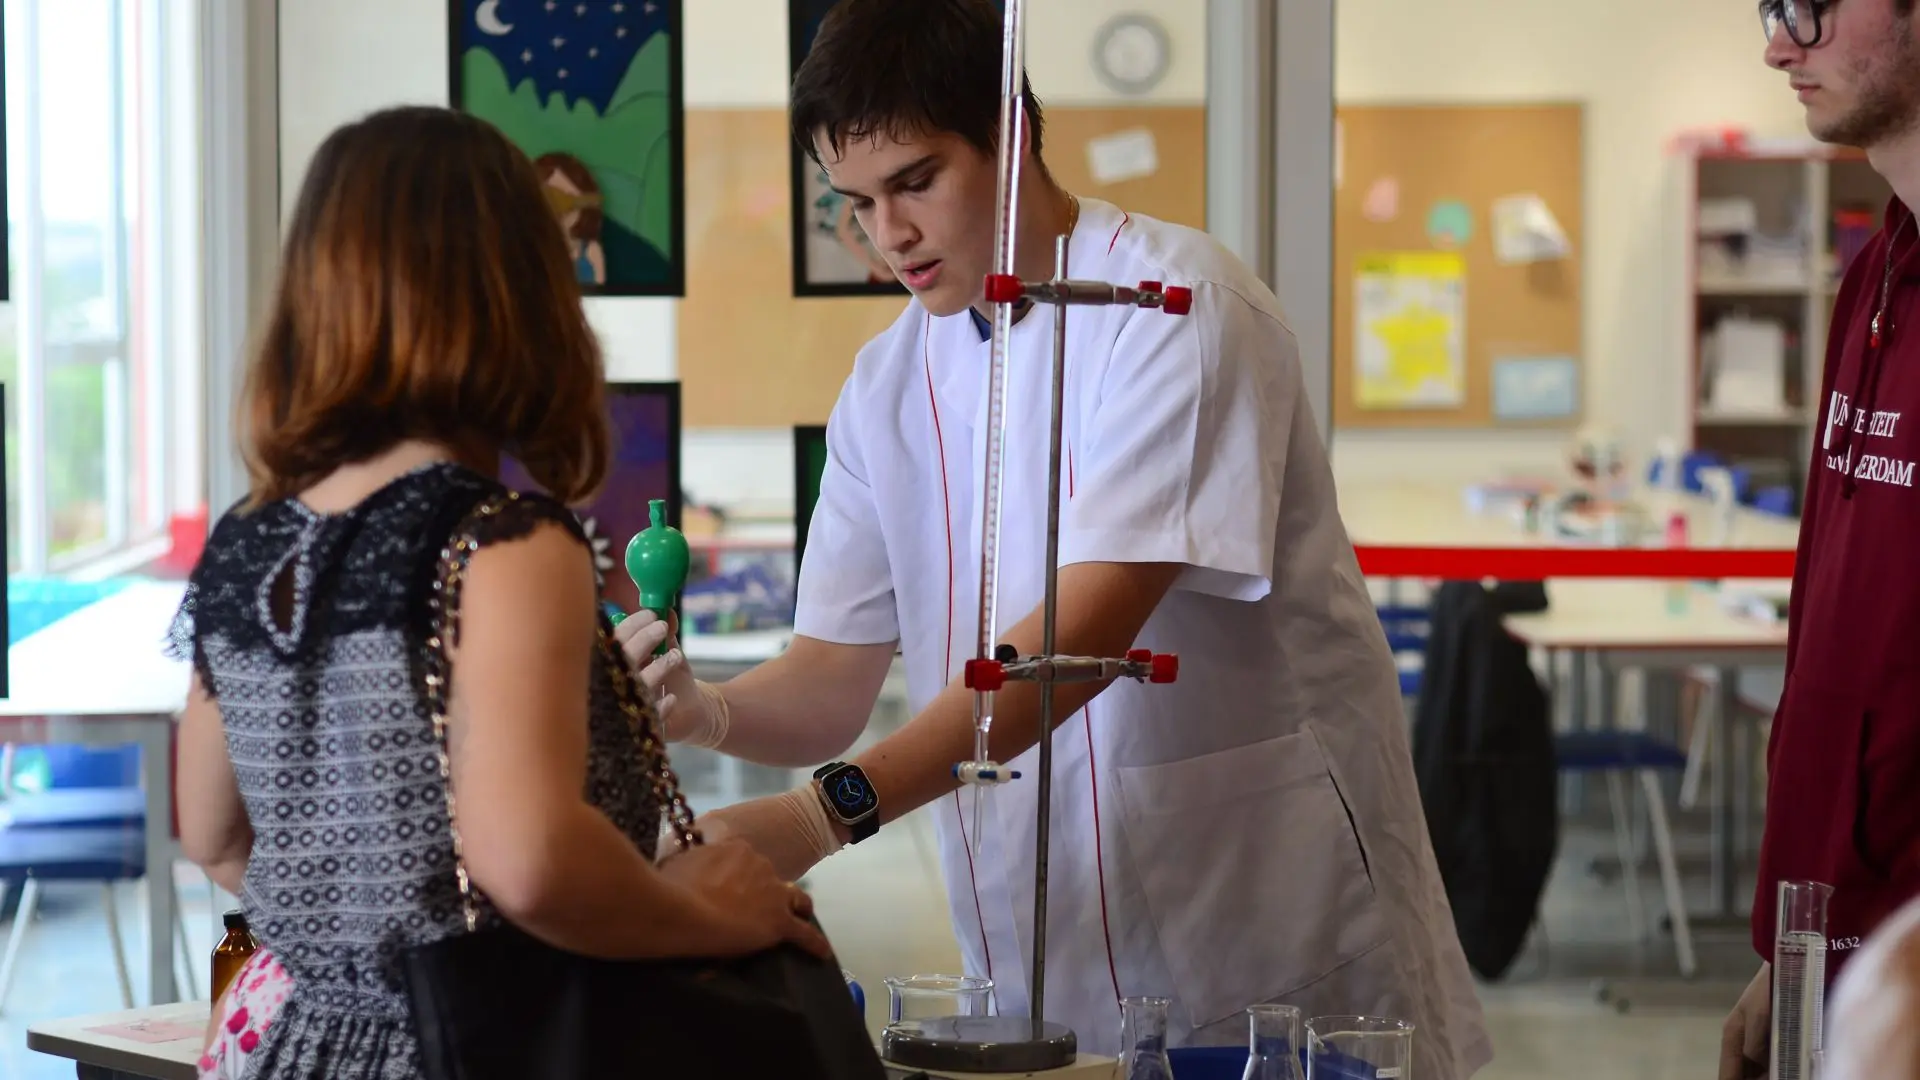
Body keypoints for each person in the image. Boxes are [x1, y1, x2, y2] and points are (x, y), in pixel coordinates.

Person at [619, 1, 1490, 1073]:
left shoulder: (1179, 308)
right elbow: (827, 680)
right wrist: (704, 709)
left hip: (1256, 920)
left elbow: (1087, 635)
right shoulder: (888, 386)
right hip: (1048, 928)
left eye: (915, 182)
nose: (887, 235)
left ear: (1014, 133)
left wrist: (821, 815)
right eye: (855, 204)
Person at [172, 104, 827, 1079]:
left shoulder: (248, 543)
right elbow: (529, 863)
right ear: (520, 294)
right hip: (487, 1048)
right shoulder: (501, 543)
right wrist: (702, 913)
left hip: (300, 1047)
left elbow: (218, 837)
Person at [1722, 3, 1920, 1077]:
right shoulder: (1875, 276)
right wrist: (1785, 951)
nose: (1777, 44)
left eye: (1813, 4)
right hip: (1827, 949)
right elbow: (1852, 643)